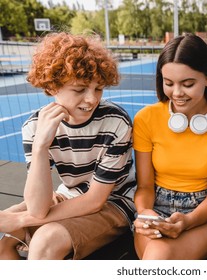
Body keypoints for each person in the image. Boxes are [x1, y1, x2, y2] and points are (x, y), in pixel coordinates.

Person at [0, 32, 136, 260]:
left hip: (115, 202)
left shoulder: (116, 122)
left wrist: (22, 219)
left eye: (98, 88)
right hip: (69, 195)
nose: (92, 99)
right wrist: (41, 146)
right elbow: (38, 207)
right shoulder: (34, 127)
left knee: (44, 243)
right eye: (80, 89)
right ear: (53, 86)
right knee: (5, 237)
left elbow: (95, 200)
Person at [132, 33, 207, 259]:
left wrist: (187, 221)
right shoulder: (145, 119)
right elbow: (144, 187)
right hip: (155, 208)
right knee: (157, 251)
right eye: (169, 83)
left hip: (202, 214)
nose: (177, 93)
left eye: (188, 84)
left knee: (159, 254)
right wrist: (146, 213)